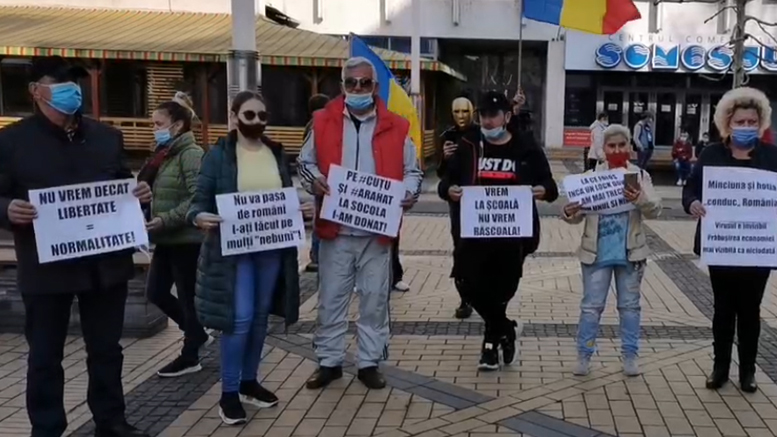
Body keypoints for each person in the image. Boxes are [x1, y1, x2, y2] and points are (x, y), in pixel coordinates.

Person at [0, 56, 152, 437]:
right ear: (36, 91)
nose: (72, 90)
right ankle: (47, 427)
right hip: (46, 269)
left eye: (75, 82)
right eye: (61, 82)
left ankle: (111, 421)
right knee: (45, 356)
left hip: (104, 267)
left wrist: (140, 195)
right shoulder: (11, 142)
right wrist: (7, 209)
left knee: (106, 351)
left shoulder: (105, 137)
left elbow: (121, 188)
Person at [297, 56, 423, 389]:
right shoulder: (322, 121)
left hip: (376, 234)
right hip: (334, 232)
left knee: (374, 299)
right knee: (331, 299)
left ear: (375, 86)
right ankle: (329, 361)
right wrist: (316, 181)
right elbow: (304, 163)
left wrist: (408, 193)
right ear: (342, 86)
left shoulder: (398, 126)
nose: (357, 88)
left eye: (364, 83)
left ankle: (369, 361)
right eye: (351, 83)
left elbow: (414, 171)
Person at [187, 91, 301, 425]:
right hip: (232, 253)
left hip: (270, 249)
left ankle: (249, 381)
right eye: (250, 115)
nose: (257, 122)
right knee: (239, 319)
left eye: (263, 116)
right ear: (234, 116)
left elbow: (283, 199)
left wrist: (298, 209)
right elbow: (198, 201)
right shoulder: (218, 156)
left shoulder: (275, 153)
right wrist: (199, 217)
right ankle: (229, 392)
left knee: (260, 318)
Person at [439, 91, 558, 371]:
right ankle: (504, 327)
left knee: (503, 288)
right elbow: (447, 181)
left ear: (506, 117)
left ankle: (490, 344)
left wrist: (544, 191)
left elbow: (549, 183)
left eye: (493, 115)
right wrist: (449, 190)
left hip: (511, 236)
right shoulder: (468, 144)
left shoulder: (525, 146)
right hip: (472, 234)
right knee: (466, 283)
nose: (488, 121)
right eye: (483, 116)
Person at [682, 86, 777, 394]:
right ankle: (720, 367)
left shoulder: (772, 157)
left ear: (760, 123)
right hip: (721, 245)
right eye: (740, 122)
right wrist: (692, 203)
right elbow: (690, 190)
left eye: (752, 122)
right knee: (723, 310)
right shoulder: (711, 154)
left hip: (757, 249)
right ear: (727, 122)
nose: (746, 128)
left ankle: (748, 370)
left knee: (751, 310)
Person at [561, 124, 662, 377]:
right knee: (591, 307)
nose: (617, 149)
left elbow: (655, 209)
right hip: (596, 253)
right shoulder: (590, 178)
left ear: (630, 147)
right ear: (603, 149)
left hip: (631, 253)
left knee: (630, 307)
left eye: (622, 145)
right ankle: (583, 356)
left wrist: (639, 198)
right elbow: (576, 216)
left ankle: (630, 356)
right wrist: (568, 212)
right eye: (611, 145)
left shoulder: (639, 176)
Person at [137, 92, 212, 378]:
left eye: (159, 123)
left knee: (187, 296)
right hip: (166, 238)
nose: (155, 129)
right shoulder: (164, 155)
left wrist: (164, 219)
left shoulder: (191, 155)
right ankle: (196, 333)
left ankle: (190, 352)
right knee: (155, 292)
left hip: (185, 239)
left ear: (178, 125)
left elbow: (197, 198)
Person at [437, 96, 479, 319]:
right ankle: (465, 299)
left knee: (483, 253)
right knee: (461, 251)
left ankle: (483, 295)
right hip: (459, 206)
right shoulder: (448, 137)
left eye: (465, 111)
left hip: (482, 205)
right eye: (457, 112)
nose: (461, 116)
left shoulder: (482, 136)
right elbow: (442, 176)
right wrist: (444, 159)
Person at [304, 94, 331, 273]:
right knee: (323, 220)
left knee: (319, 218)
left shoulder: (310, 124)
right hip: (326, 180)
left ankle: (316, 255)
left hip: (321, 180)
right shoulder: (320, 124)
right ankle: (319, 255)